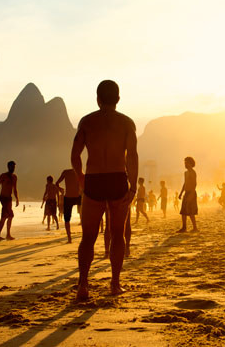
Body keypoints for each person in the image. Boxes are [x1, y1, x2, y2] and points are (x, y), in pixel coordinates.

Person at [72, 80, 138, 300]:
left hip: (94, 180)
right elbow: (133, 156)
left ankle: (83, 285)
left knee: (88, 237)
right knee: (117, 235)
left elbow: (75, 155)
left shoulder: (87, 122)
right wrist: (134, 184)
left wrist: (81, 178)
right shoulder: (127, 123)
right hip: (118, 179)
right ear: (118, 99)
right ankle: (115, 283)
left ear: (97, 98)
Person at [0, 161, 20, 241]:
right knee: (9, 215)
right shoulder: (3, 176)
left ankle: (3, 235)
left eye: (14, 167)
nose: (13, 168)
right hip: (3, 198)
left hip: (9, 198)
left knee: (5, 216)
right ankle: (3, 235)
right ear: (8, 167)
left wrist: (17, 198)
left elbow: (15, 189)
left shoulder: (14, 177)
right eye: (12, 166)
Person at [56, 168, 82, 243]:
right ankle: (85, 236)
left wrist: (61, 189)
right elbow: (83, 183)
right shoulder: (79, 171)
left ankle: (69, 238)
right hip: (78, 197)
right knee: (84, 216)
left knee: (67, 219)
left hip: (68, 197)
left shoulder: (65, 172)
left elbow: (57, 183)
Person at [177, 156, 198, 232]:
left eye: (186, 163)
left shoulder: (193, 172)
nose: (185, 164)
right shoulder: (185, 173)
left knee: (191, 211)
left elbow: (194, 184)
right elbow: (185, 183)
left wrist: (192, 194)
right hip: (186, 193)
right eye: (184, 163)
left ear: (190, 163)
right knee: (183, 211)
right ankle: (184, 227)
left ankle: (195, 228)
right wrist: (181, 193)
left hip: (191, 192)